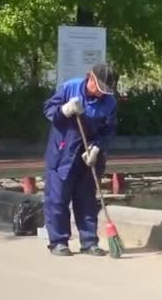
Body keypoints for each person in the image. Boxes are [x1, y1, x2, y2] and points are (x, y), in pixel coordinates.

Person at [42, 63, 117, 256]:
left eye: (106, 91)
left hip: (88, 155)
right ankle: (58, 241)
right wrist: (64, 110)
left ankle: (89, 241)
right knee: (58, 200)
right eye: (100, 89)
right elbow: (49, 110)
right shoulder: (70, 88)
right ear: (90, 79)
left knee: (87, 200)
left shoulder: (109, 102)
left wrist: (98, 147)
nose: (102, 94)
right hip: (63, 153)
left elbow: (108, 130)